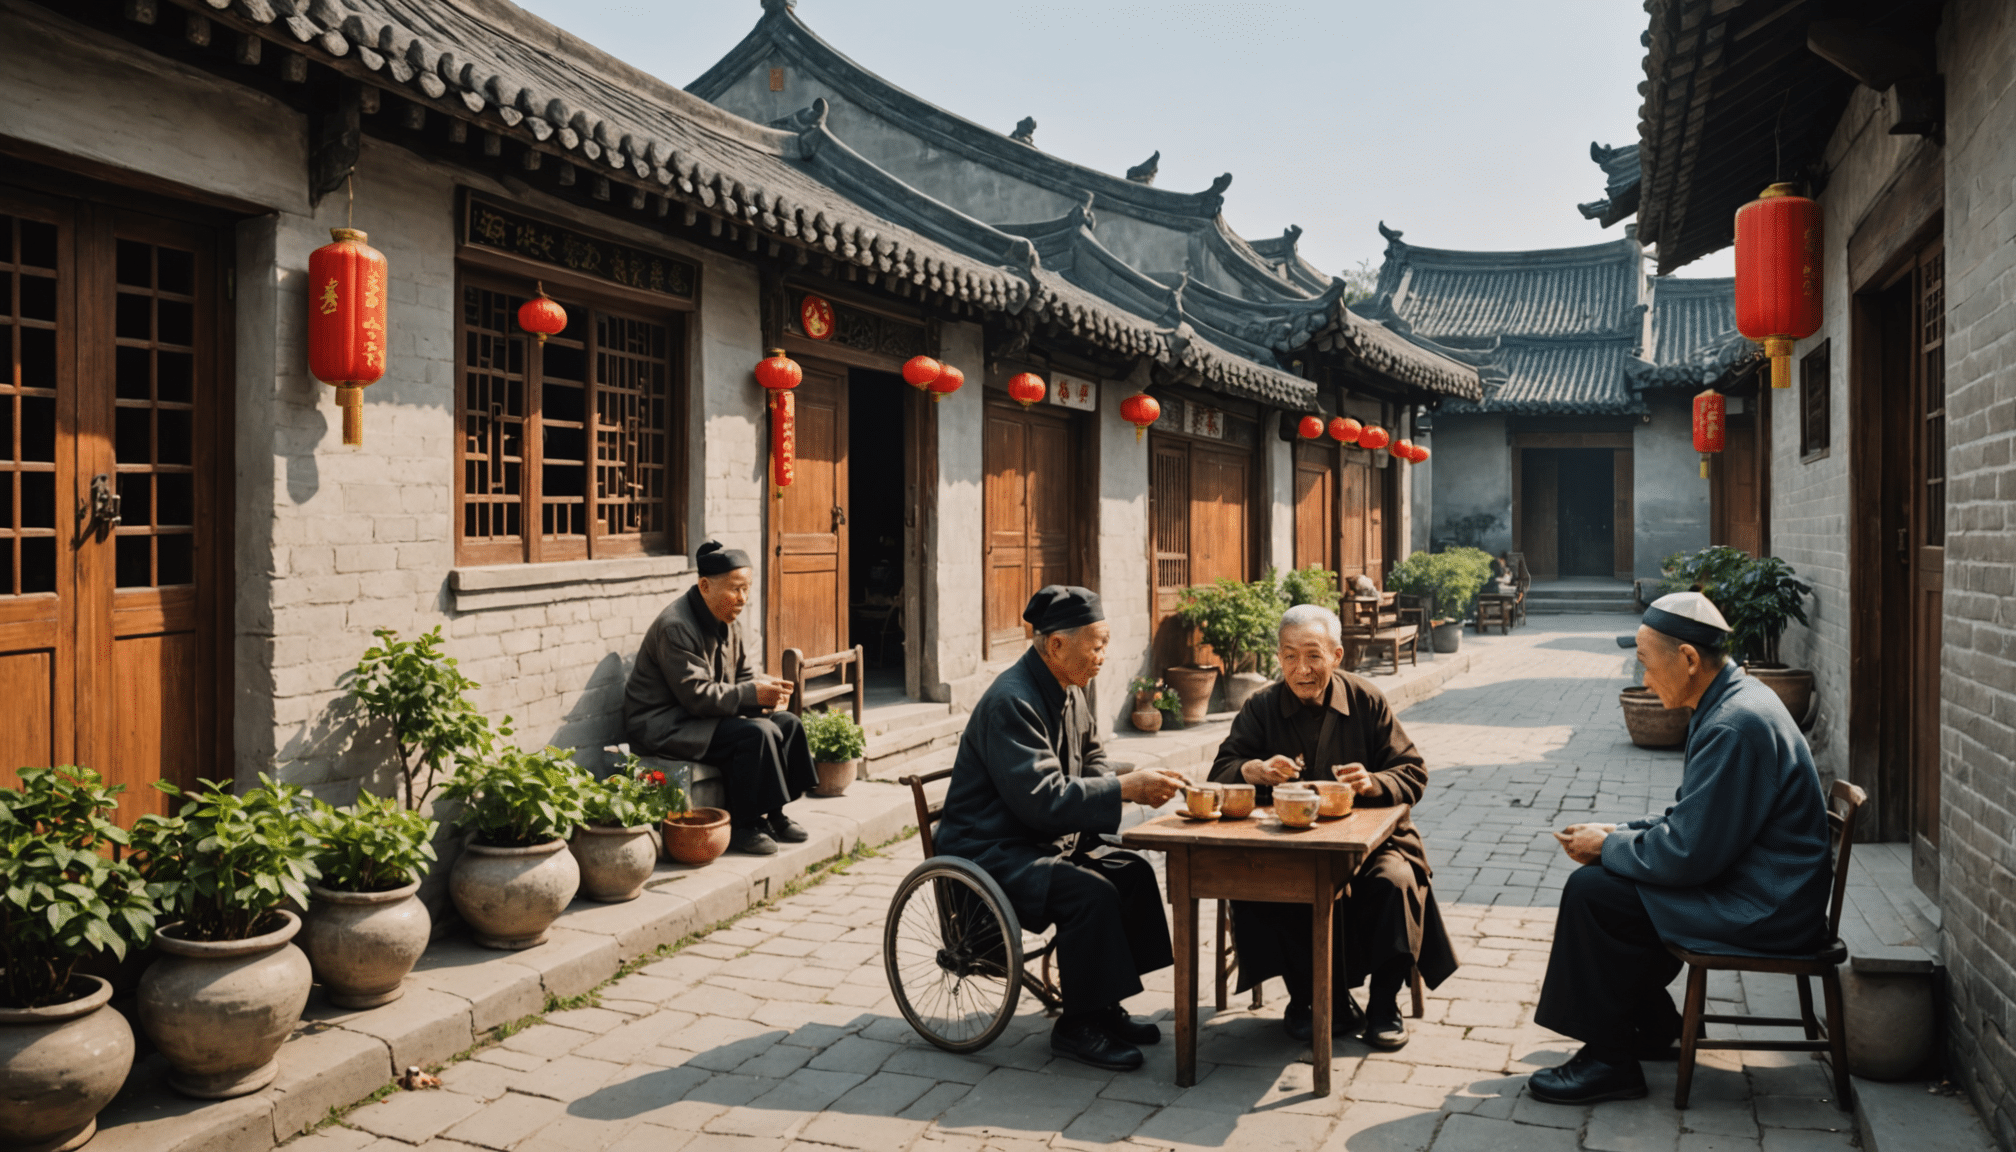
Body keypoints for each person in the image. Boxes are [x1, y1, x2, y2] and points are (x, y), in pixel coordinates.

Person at [1526, 592, 1833, 1105]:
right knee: (1616, 882)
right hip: (1759, 883)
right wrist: (1617, 831)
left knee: (1594, 893)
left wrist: (1610, 849)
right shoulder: (1732, 700)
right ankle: (1648, 1025)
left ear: (1689, 659)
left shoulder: (1735, 722)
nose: (1643, 678)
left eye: (1646, 663)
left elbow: (1689, 854)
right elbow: (1695, 819)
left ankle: (1609, 1061)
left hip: (1765, 905)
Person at [934, 586, 1191, 1072]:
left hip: (1038, 839)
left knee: (1131, 871)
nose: (1102, 656)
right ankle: (1076, 1027)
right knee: (1089, 893)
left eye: (1104, 643)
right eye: (1096, 645)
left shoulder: (1070, 687)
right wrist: (1124, 789)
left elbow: (1092, 755)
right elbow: (1042, 800)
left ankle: (1103, 1005)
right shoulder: (1012, 700)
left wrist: (1113, 784)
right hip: (991, 847)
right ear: (1055, 645)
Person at [1207, 604, 1459, 1049]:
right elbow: (1221, 770)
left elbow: (1413, 772)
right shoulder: (1261, 707)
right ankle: (1312, 998)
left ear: (1337, 655)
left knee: (1396, 882)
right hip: (1288, 848)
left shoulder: (1366, 700)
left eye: (1313, 656)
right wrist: (1253, 771)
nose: (1300, 669)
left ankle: (1384, 1002)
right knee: (1263, 887)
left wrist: (1373, 782)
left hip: (1371, 847)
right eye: (1289, 657)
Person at [623, 541, 818, 856]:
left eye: (747, 589)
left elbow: (741, 677)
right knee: (757, 734)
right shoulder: (675, 626)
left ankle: (776, 814)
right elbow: (696, 696)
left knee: (787, 723)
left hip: (706, 716)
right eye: (736, 590)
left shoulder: (729, 619)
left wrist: (767, 698)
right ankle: (745, 825)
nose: (743, 598)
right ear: (705, 586)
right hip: (667, 724)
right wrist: (751, 695)